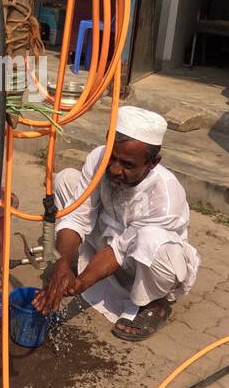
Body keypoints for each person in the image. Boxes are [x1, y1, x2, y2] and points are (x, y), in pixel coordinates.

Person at [34, 105, 200, 341]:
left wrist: (82, 282)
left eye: (127, 164)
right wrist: (62, 261)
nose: (114, 169)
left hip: (142, 265)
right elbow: (78, 215)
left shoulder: (165, 193)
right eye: (112, 157)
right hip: (105, 242)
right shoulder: (98, 158)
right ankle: (70, 269)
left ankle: (153, 302)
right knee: (66, 180)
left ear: (153, 163)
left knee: (152, 238)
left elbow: (122, 248)